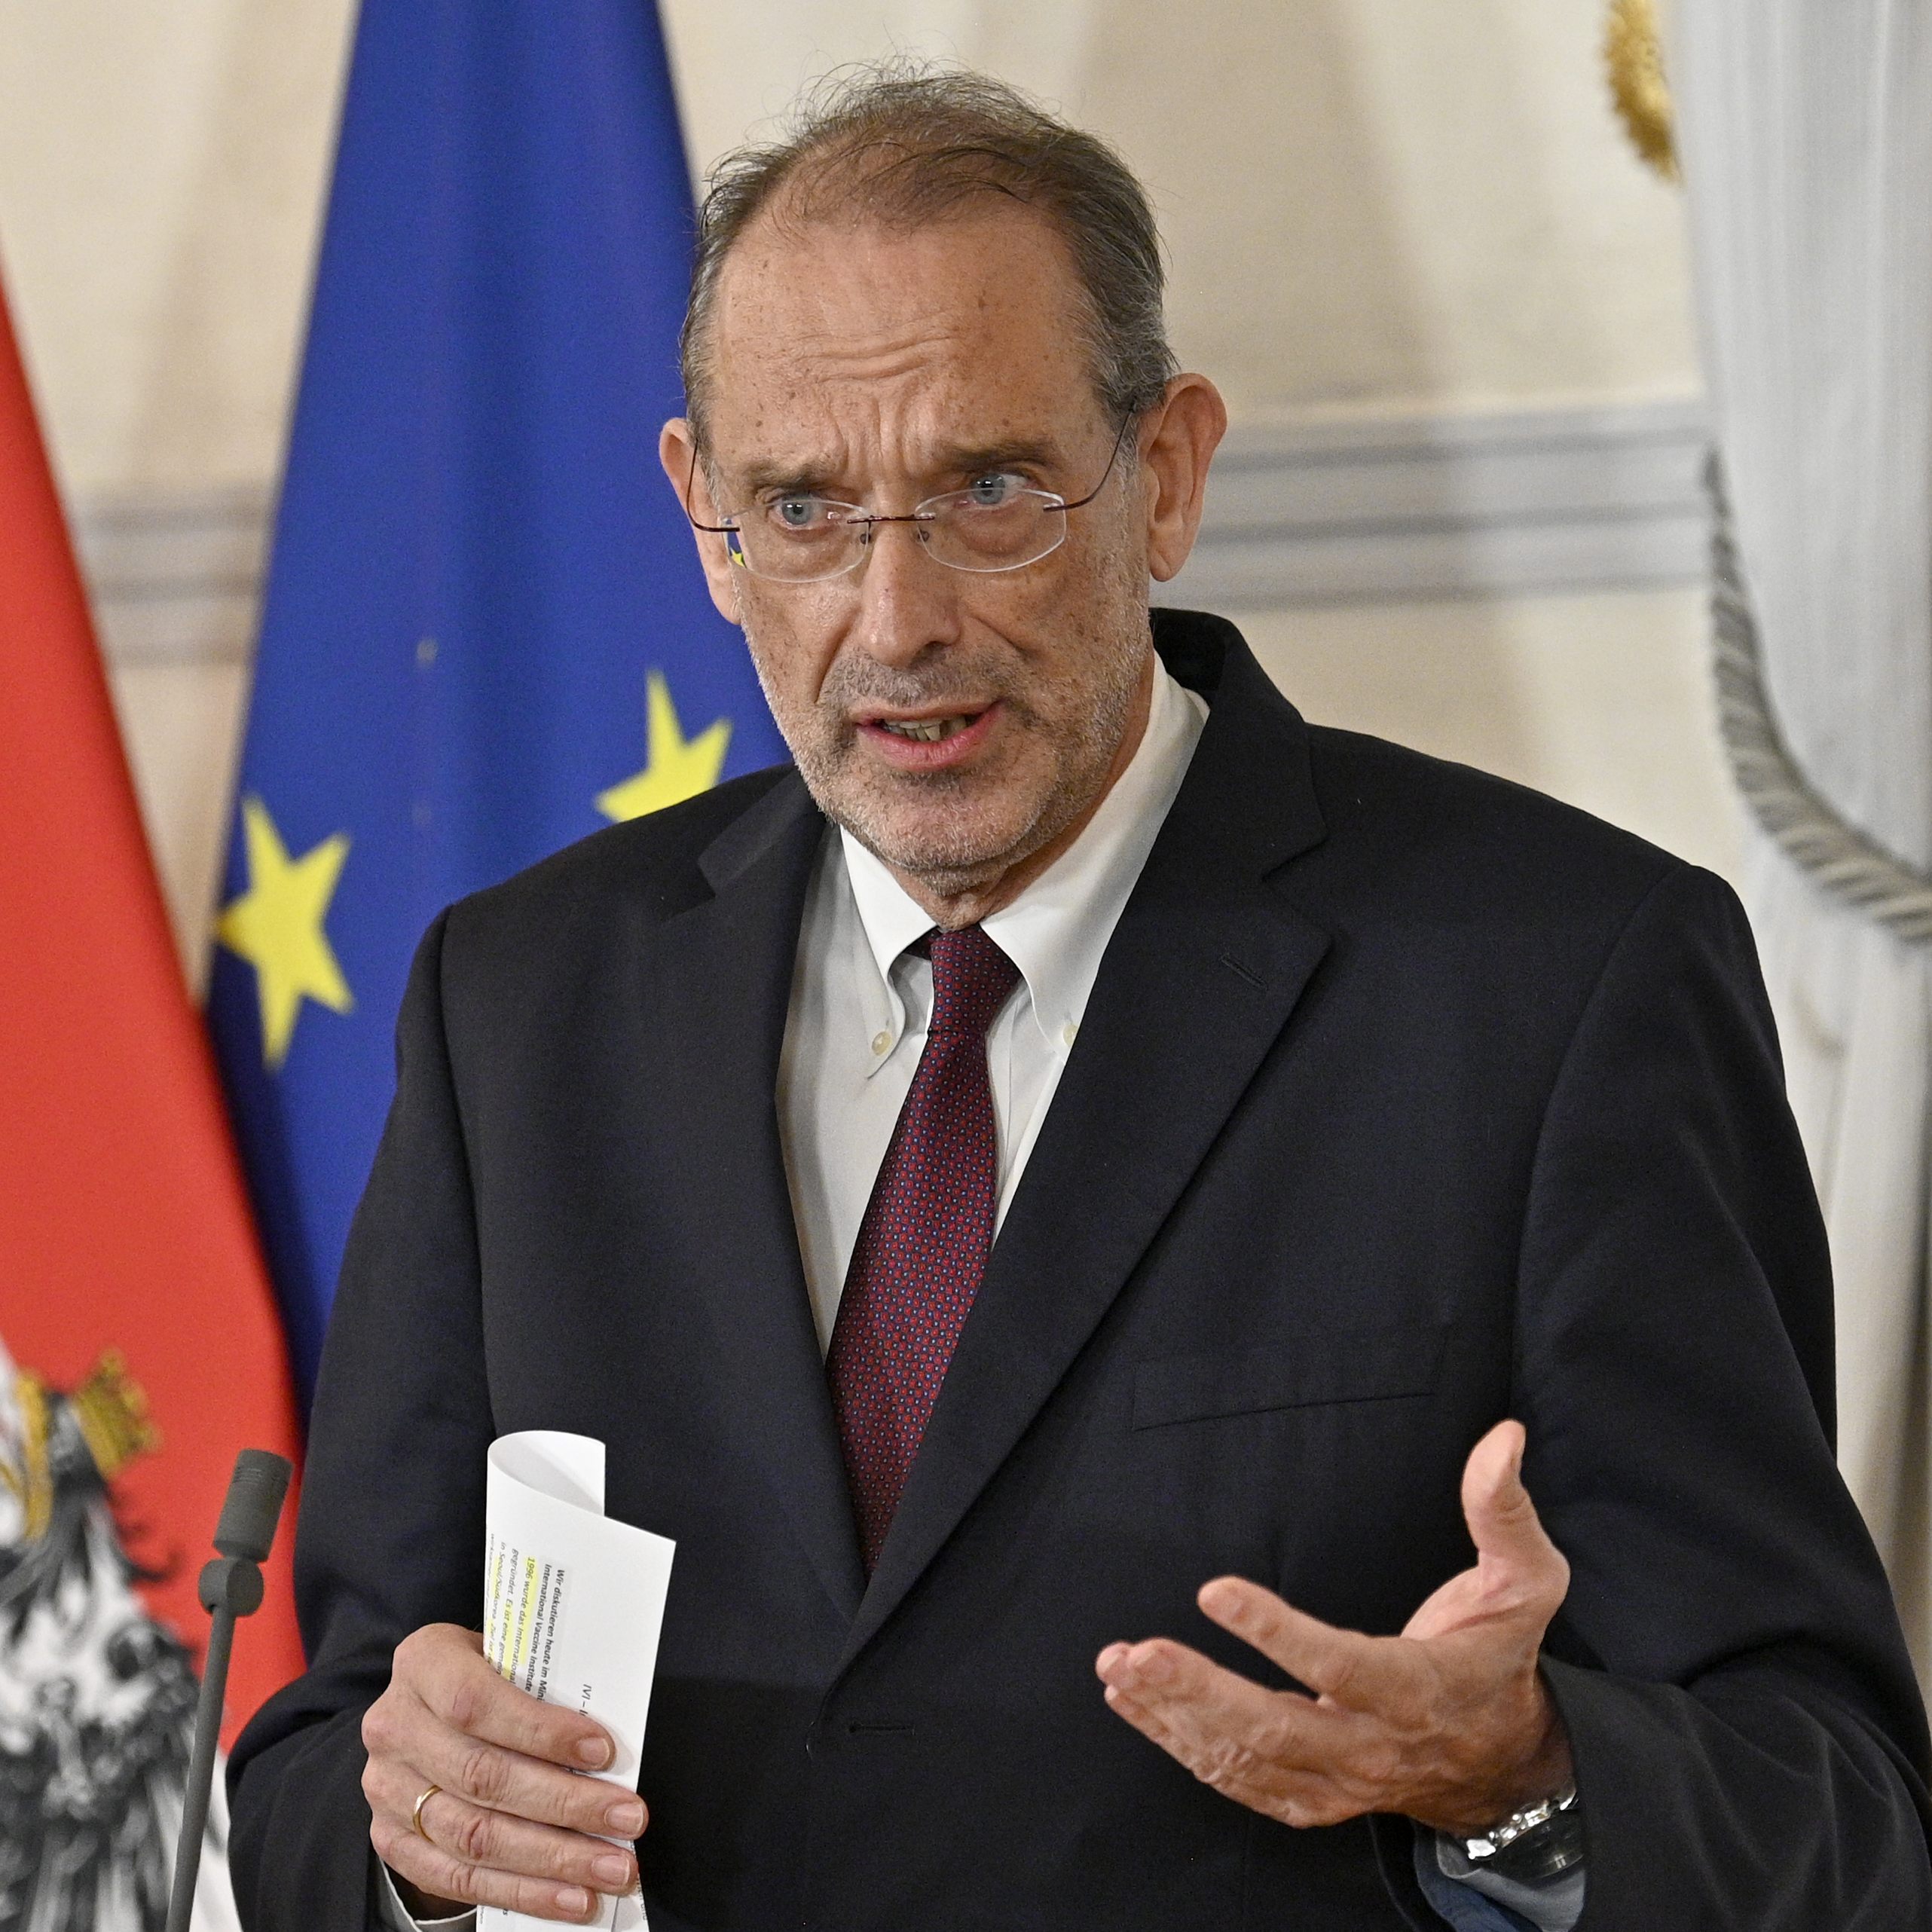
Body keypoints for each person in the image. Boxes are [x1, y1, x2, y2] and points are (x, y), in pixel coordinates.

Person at [228, 68, 1932, 1932]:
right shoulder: (521, 1003)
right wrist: (416, 1838)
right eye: (804, 508)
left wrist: (1519, 1783)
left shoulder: (1558, 983)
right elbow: (329, 1751)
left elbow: (1835, 1811)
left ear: (1170, 471)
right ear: (701, 516)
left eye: (989, 491)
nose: (896, 622)